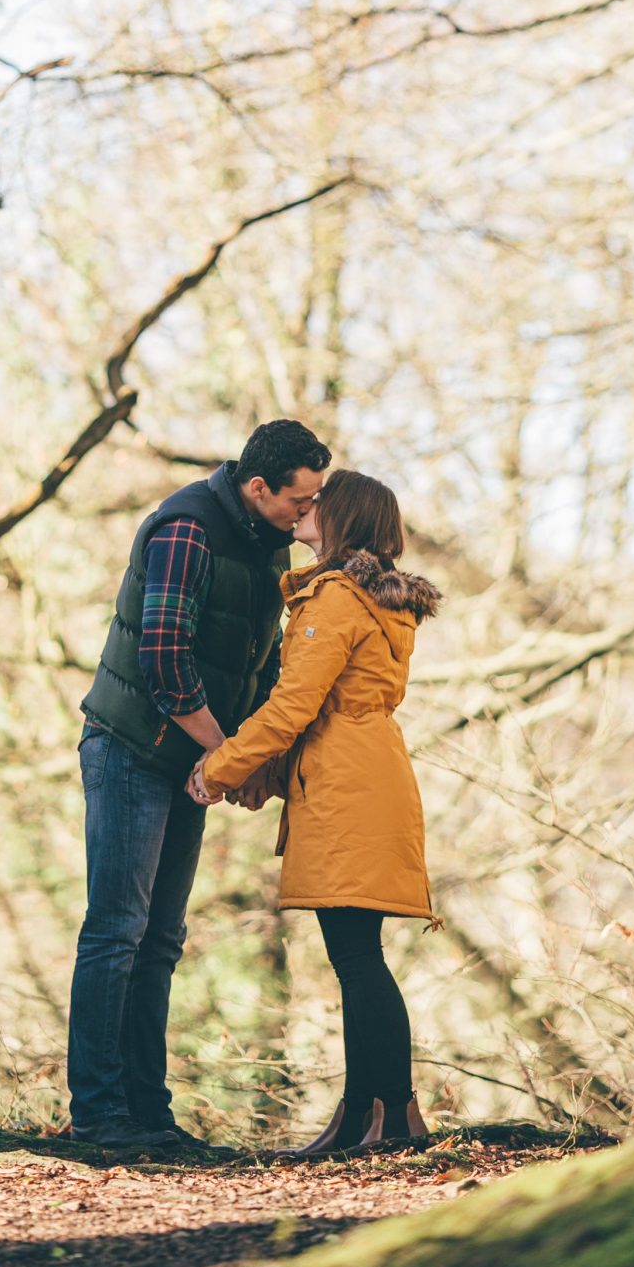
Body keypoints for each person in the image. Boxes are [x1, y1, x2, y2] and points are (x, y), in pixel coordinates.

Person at [67, 420, 332, 1153]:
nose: (308, 514)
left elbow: (262, 661)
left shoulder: (266, 539)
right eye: (300, 501)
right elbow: (165, 663)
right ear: (259, 487)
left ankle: (149, 1114)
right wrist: (230, 756)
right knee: (116, 931)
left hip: (188, 758)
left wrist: (249, 753)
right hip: (132, 750)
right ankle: (97, 1114)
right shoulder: (187, 526)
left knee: (161, 940)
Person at [188, 467, 442, 1156]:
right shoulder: (375, 600)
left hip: (347, 786)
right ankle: (368, 1110)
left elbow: (294, 706)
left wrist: (218, 768)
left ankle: (392, 1113)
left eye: (322, 503)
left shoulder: (334, 598)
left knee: (357, 957)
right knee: (356, 953)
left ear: (345, 520)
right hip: (369, 773)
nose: (308, 507)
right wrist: (262, 773)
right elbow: (324, 707)